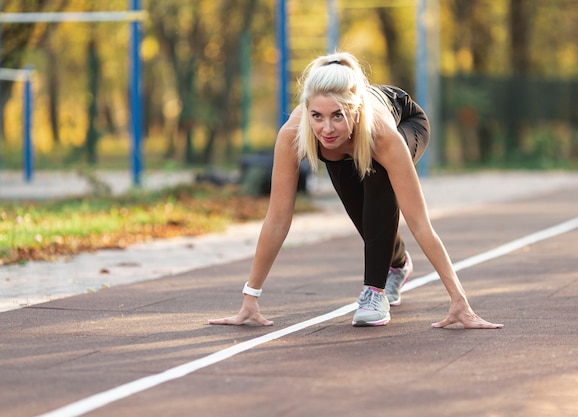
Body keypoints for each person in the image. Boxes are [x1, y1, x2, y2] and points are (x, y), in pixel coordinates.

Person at [208, 52, 503, 329]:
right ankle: (398, 264)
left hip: (405, 120)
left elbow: (419, 222)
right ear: (307, 110)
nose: (326, 129)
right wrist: (250, 296)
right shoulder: (292, 135)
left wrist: (459, 300)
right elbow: (276, 219)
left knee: (379, 185)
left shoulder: (381, 135)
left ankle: (374, 292)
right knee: (365, 219)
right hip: (349, 147)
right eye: (317, 116)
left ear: (355, 109)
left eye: (338, 115)